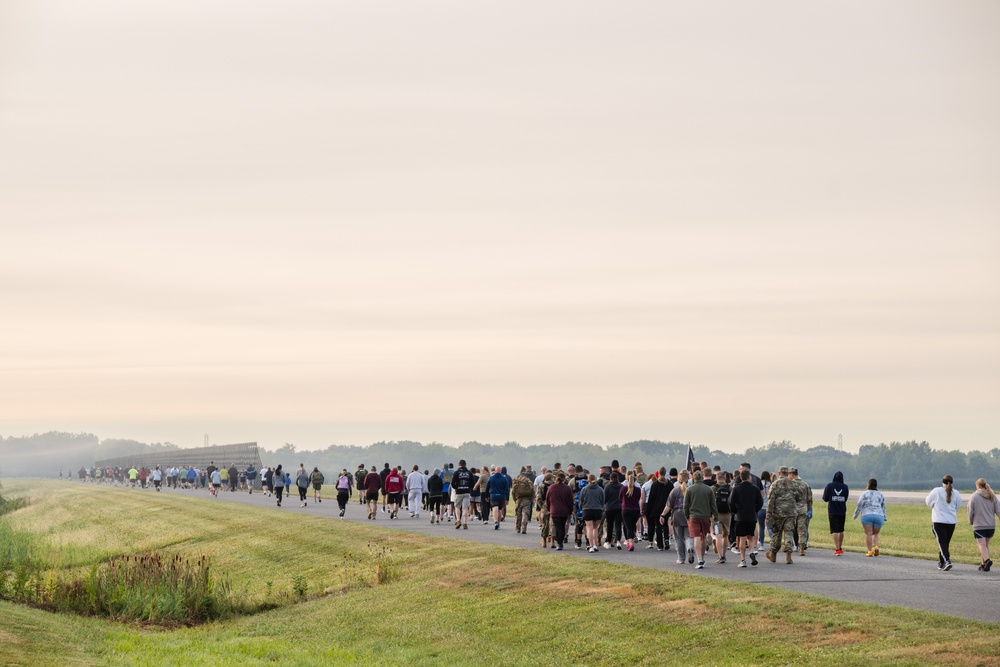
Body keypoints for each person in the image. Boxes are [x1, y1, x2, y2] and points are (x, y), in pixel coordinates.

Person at [766, 466, 802, 565]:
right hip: (791, 513)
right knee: (789, 533)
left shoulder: (775, 484)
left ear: (779, 473)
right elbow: (799, 497)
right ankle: (788, 556)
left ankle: (773, 554)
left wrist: (768, 514)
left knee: (777, 534)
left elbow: (771, 501)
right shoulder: (794, 484)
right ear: (787, 473)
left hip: (778, 513)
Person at [926, 474, 962, 571]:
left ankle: (947, 561)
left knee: (942, 542)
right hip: (951, 521)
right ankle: (942, 562)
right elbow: (958, 506)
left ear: (943, 482)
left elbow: (928, 502)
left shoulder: (936, 491)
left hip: (938, 521)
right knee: (945, 543)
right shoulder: (956, 493)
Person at [684, 470, 718, 569]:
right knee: (703, 537)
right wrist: (715, 516)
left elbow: (686, 505)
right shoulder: (709, 490)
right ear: (702, 478)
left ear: (693, 478)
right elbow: (713, 504)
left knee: (696, 537)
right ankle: (702, 557)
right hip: (706, 516)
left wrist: (687, 516)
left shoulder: (689, 490)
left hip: (693, 516)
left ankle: (699, 559)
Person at [730, 470, 763, 568]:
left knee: (742, 538)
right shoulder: (755, 489)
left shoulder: (736, 489)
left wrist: (735, 511)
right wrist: (755, 510)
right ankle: (751, 551)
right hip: (751, 516)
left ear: (740, 478)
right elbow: (760, 502)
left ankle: (743, 560)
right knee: (750, 537)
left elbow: (731, 502)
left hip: (740, 517)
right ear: (750, 478)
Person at [968, 478, 1000, 572]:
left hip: (979, 524)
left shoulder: (974, 496)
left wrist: (971, 521)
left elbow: (970, 511)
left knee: (981, 545)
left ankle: (987, 560)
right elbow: (998, 510)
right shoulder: (992, 496)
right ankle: (983, 565)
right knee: (985, 545)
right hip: (990, 525)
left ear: (978, 486)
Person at [852, 478, 887, 557]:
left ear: (868, 484)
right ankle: (876, 547)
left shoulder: (864, 494)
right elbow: (883, 506)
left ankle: (869, 551)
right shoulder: (880, 494)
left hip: (867, 515)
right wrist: (884, 517)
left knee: (869, 534)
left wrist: (855, 515)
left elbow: (859, 504)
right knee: (876, 533)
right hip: (879, 515)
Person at [664, 470, 691, 564]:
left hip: (677, 515)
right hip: (688, 516)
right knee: (688, 536)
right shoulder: (691, 490)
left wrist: (662, 515)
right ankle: (690, 548)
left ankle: (681, 558)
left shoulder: (674, 491)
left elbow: (668, 506)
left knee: (678, 537)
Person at [821, 471, 849, 555]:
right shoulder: (845, 487)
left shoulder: (829, 486)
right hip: (842, 510)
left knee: (835, 530)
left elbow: (825, 498)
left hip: (832, 511)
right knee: (841, 530)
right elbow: (845, 498)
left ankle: (837, 549)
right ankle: (840, 547)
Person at [645, 468, 672, 551]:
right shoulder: (670, 484)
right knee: (665, 524)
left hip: (656, 508)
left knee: (658, 526)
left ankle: (660, 545)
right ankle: (667, 539)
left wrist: (648, 510)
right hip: (666, 507)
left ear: (658, 473)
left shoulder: (655, 484)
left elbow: (651, 498)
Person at [546, 473, 574, 550]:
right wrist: (570, 510)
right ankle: (560, 542)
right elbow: (570, 501)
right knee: (562, 527)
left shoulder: (551, 487)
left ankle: (559, 542)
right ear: (564, 479)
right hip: (564, 511)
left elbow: (547, 500)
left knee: (558, 527)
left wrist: (549, 509)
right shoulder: (567, 488)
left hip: (554, 511)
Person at [788, 468, 812, 556]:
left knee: (790, 529)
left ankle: (789, 546)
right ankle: (802, 547)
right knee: (802, 529)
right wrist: (808, 508)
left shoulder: (790, 484)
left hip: (792, 510)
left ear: (791, 474)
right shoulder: (805, 484)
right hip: (802, 509)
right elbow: (809, 499)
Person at [579, 474, 605, 552]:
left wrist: (582, 507)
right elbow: (603, 500)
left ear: (588, 480)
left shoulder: (584, 489)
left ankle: (590, 546)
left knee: (589, 528)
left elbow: (581, 501)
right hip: (597, 510)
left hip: (587, 510)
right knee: (595, 528)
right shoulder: (600, 489)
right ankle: (595, 544)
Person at [713, 471, 732, 563]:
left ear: (716, 477)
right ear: (725, 478)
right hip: (727, 515)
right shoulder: (730, 488)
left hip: (716, 515)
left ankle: (720, 556)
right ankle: (724, 555)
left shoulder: (713, 488)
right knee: (726, 535)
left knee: (718, 535)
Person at [451, 460, 475, 529]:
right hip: (467, 492)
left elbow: (452, 483)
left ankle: (458, 520)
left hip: (459, 492)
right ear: (465, 464)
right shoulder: (469, 473)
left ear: (459, 465)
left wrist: (456, 488)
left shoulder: (456, 473)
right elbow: (473, 483)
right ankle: (465, 522)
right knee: (465, 508)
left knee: (457, 507)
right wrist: (469, 488)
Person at [603, 471, 624, 550]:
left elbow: (605, 499)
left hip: (609, 508)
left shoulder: (607, 487)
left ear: (610, 478)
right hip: (619, 507)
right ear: (618, 478)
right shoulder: (621, 486)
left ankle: (609, 542)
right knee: (618, 525)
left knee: (610, 525)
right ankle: (618, 541)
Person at [511, 468, 535, 534]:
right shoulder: (528, 480)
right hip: (527, 500)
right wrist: (531, 499)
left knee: (518, 515)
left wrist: (514, 499)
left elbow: (513, 491)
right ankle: (524, 528)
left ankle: (518, 528)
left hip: (518, 499)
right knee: (525, 514)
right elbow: (532, 490)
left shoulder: (516, 480)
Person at [486, 465, 510, 530]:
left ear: (495, 471)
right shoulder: (504, 479)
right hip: (501, 496)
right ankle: (499, 523)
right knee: (500, 510)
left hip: (493, 495)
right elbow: (507, 490)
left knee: (494, 508)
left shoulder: (491, 478)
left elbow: (487, 488)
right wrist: (507, 498)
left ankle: (495, 522)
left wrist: (487, 496)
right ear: (501, 471)